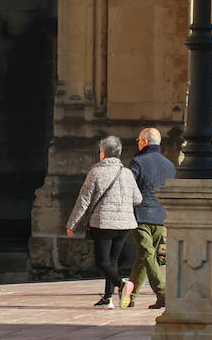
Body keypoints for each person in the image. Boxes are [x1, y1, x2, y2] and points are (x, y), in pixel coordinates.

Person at [65, 135, 141, 308]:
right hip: (124, 224)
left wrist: (72, 224)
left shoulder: (96, 172)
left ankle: (122, 285)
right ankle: (108, 298)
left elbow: (83, 201)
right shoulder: (127, 173)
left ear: (103, 154)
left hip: (103, 223)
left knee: (101, 262)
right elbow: (138, 198)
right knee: (112, 261)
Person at [125, 128, 176, 309]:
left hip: (140, 215)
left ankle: (163, 293)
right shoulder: (170, 165)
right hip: (160, 217)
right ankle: (129, 297)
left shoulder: (138, 161)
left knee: (146, 255)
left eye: (138, 140)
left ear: (145, 142)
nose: (137, 143)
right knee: (145, 256)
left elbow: (128, 186)